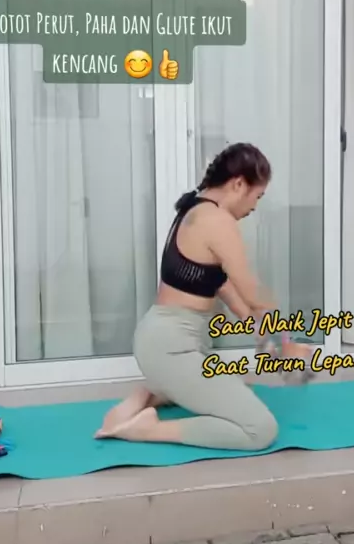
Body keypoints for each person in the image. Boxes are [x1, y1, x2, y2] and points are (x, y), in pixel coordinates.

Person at [95, 142, 311, 450]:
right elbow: (253, 291)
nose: (255, 207)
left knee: (236, 390)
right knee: (259, 430)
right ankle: (148, 429)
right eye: (257, 196)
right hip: (170, 349)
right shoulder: (216, 220)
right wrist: (286, 344)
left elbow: (225, 287)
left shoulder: (195, 209)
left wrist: (267, 336)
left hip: (166, 344)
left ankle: (149, 394)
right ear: (239, 184)